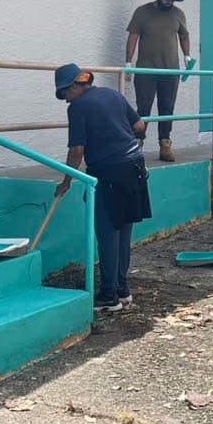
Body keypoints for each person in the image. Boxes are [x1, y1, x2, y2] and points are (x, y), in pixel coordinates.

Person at [54, 63, 152, 313]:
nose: (66, 100)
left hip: (109, 173)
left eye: (64, 94)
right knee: (124, 230)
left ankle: (109, 295)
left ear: (74, 86)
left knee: (107, 233)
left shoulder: (78, 107)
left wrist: (66, 181)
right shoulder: (113, 94)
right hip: (134, 168)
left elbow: (77, 150)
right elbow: (139, 126)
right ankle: (122, 289)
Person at [125, 0, 192, 163]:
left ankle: (165, 144)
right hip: (146, 70)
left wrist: (187, 56)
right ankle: (137, 144)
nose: (170, 1)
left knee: (167, 108)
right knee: (143, 107)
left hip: (170, 70)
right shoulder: (142, 12)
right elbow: (133, 36)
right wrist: (128, 62)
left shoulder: (178, 14)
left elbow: (184, 36)